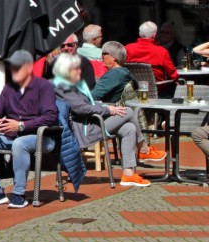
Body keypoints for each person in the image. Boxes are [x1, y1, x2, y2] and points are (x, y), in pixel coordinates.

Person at [0, 51, 60, 209]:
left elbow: (51, 116)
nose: (13, 72)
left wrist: (21, 125)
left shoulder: (43, 86)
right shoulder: (9, 88)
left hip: (41, 136)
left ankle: (19, 194)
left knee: (20, 144)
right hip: (12, 136)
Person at [51, 53, 151, 188]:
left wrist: (108, 107)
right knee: (128, 111)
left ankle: (128, 174)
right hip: (84, 129)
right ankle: (143, 148)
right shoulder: (63, 88)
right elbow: (80, 109)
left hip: (90, 122)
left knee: (129, 128)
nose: (80, 71)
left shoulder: (73, 86)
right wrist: (108, 110)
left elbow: (90, 104)